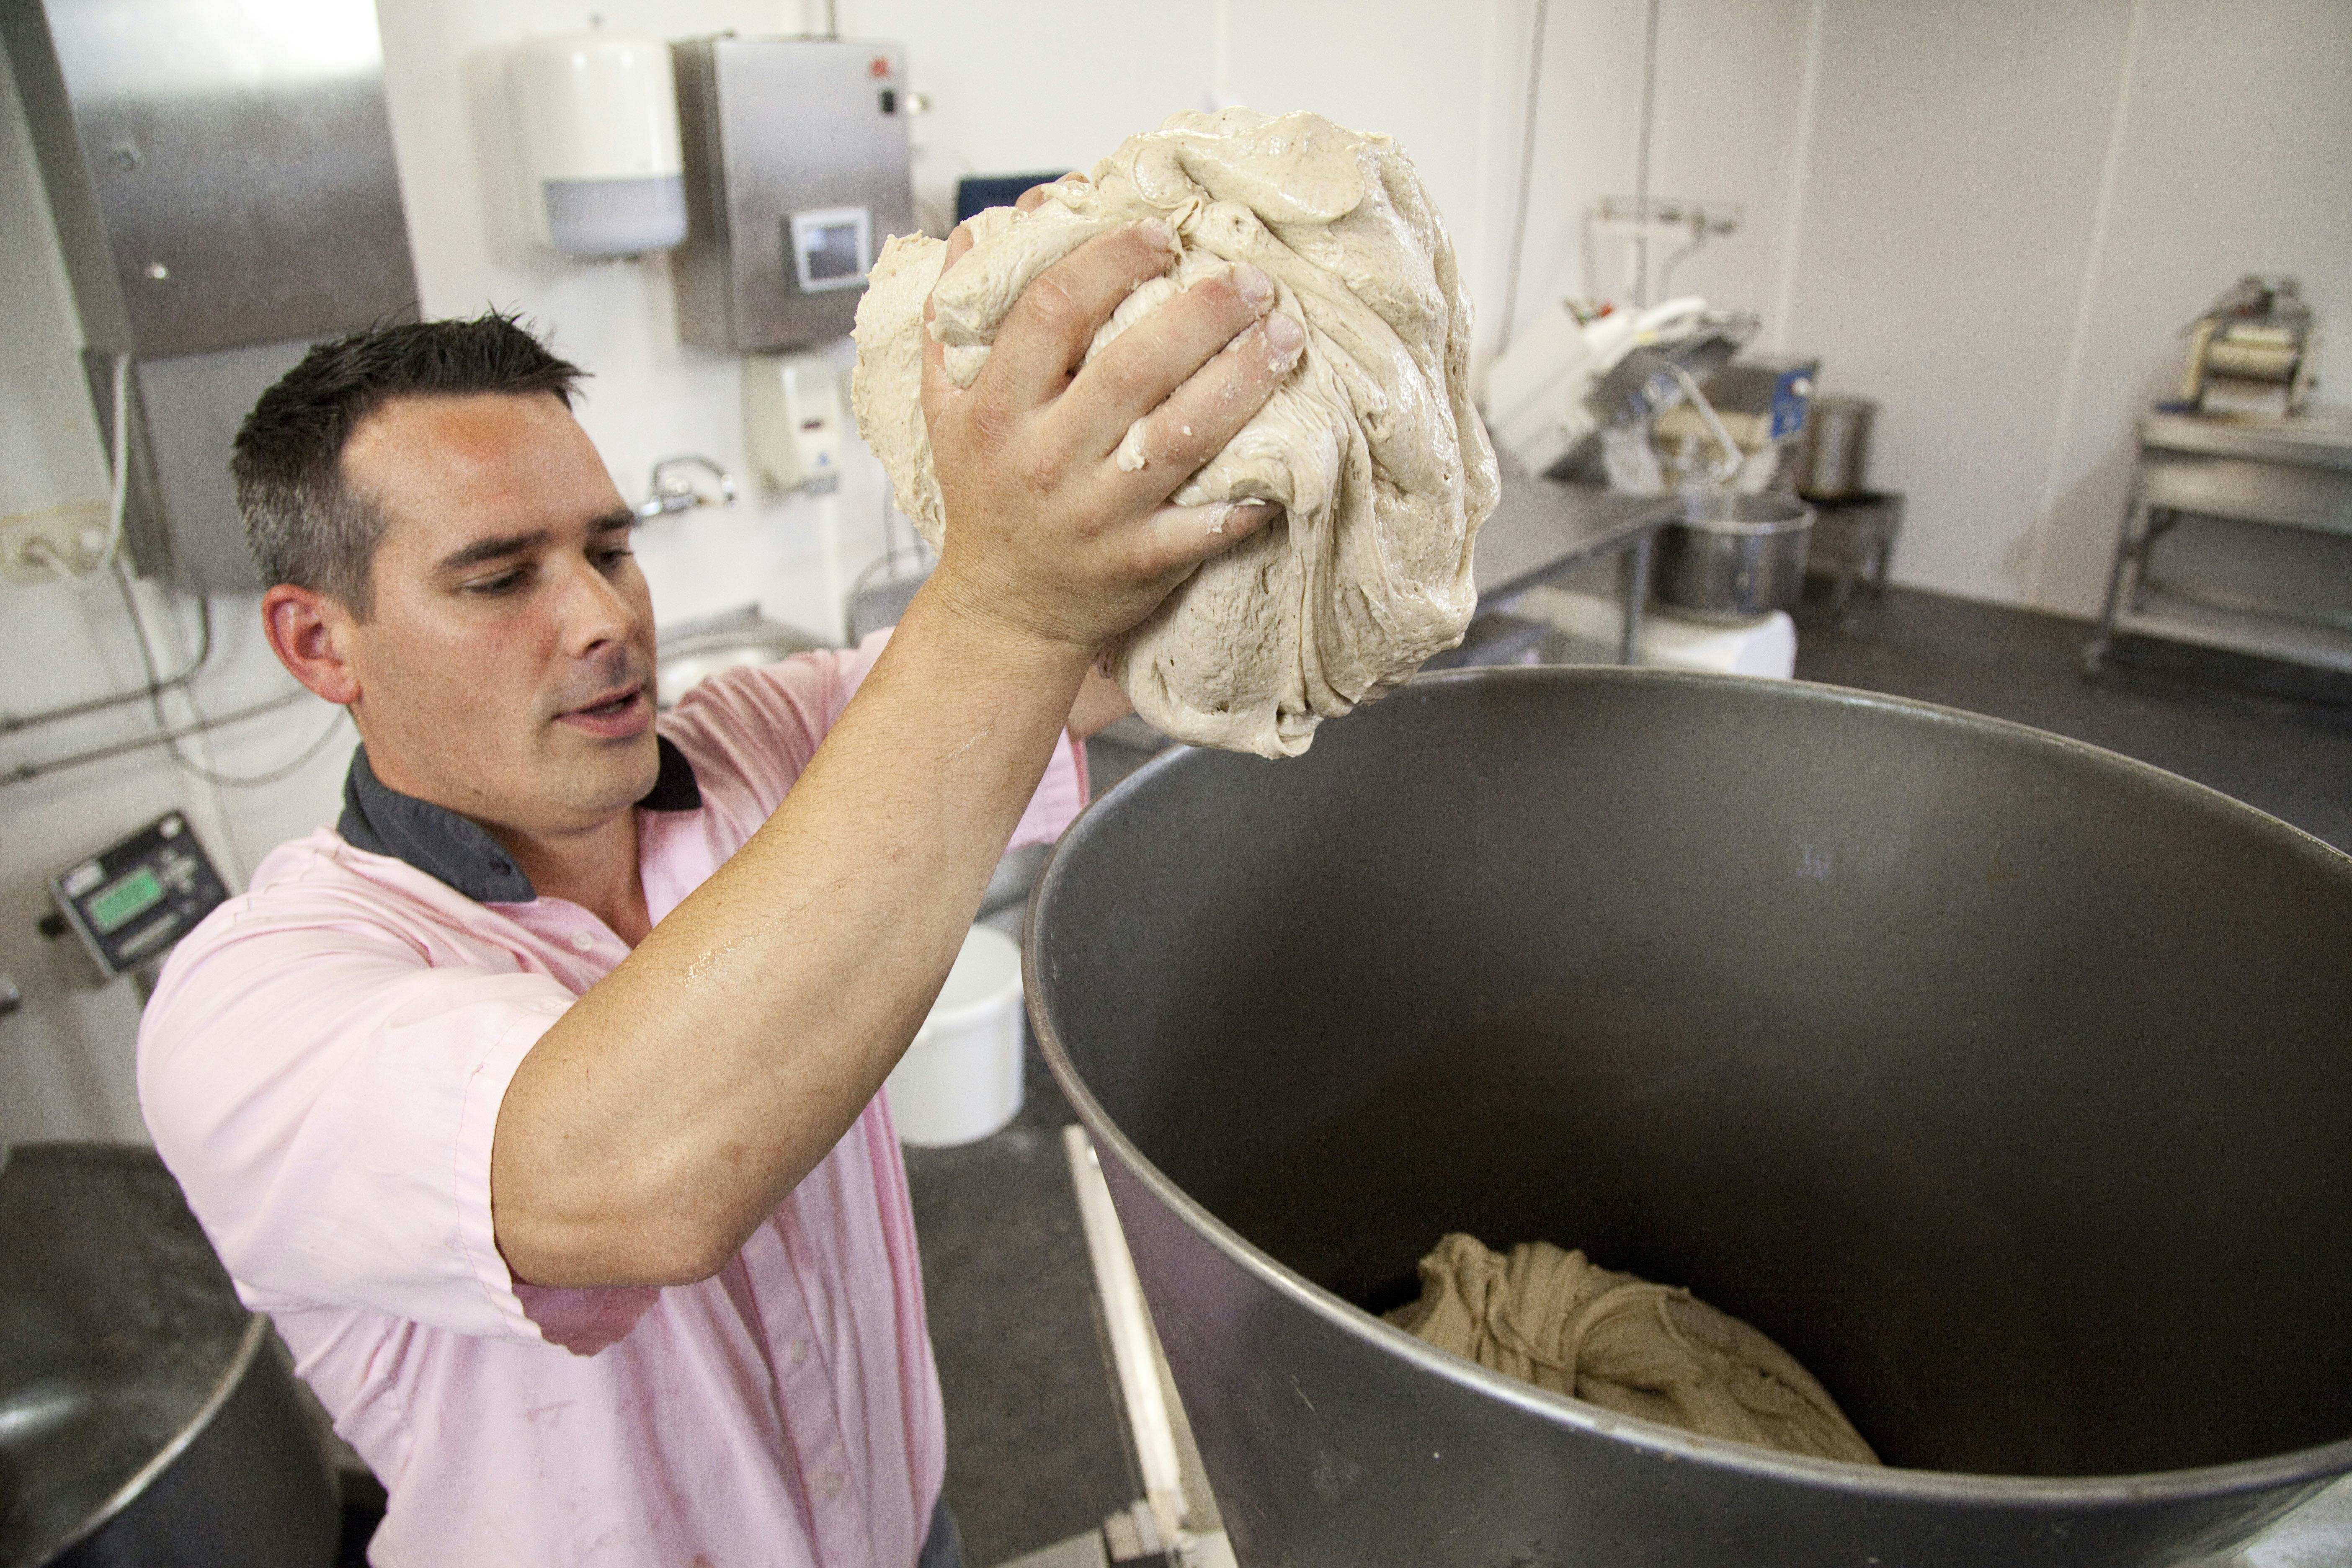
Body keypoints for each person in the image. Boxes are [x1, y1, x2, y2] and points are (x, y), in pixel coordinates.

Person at [136, 194, 1303, 1567]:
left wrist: (1256, 382)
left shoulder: (766, 738)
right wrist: (1005, 597)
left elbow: (1102, 645)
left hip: (902, 1526)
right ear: (321, 646)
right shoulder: (254, 1003)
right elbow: (647, 1177)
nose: (604, 619)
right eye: (501, 578)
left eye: (610, 550)